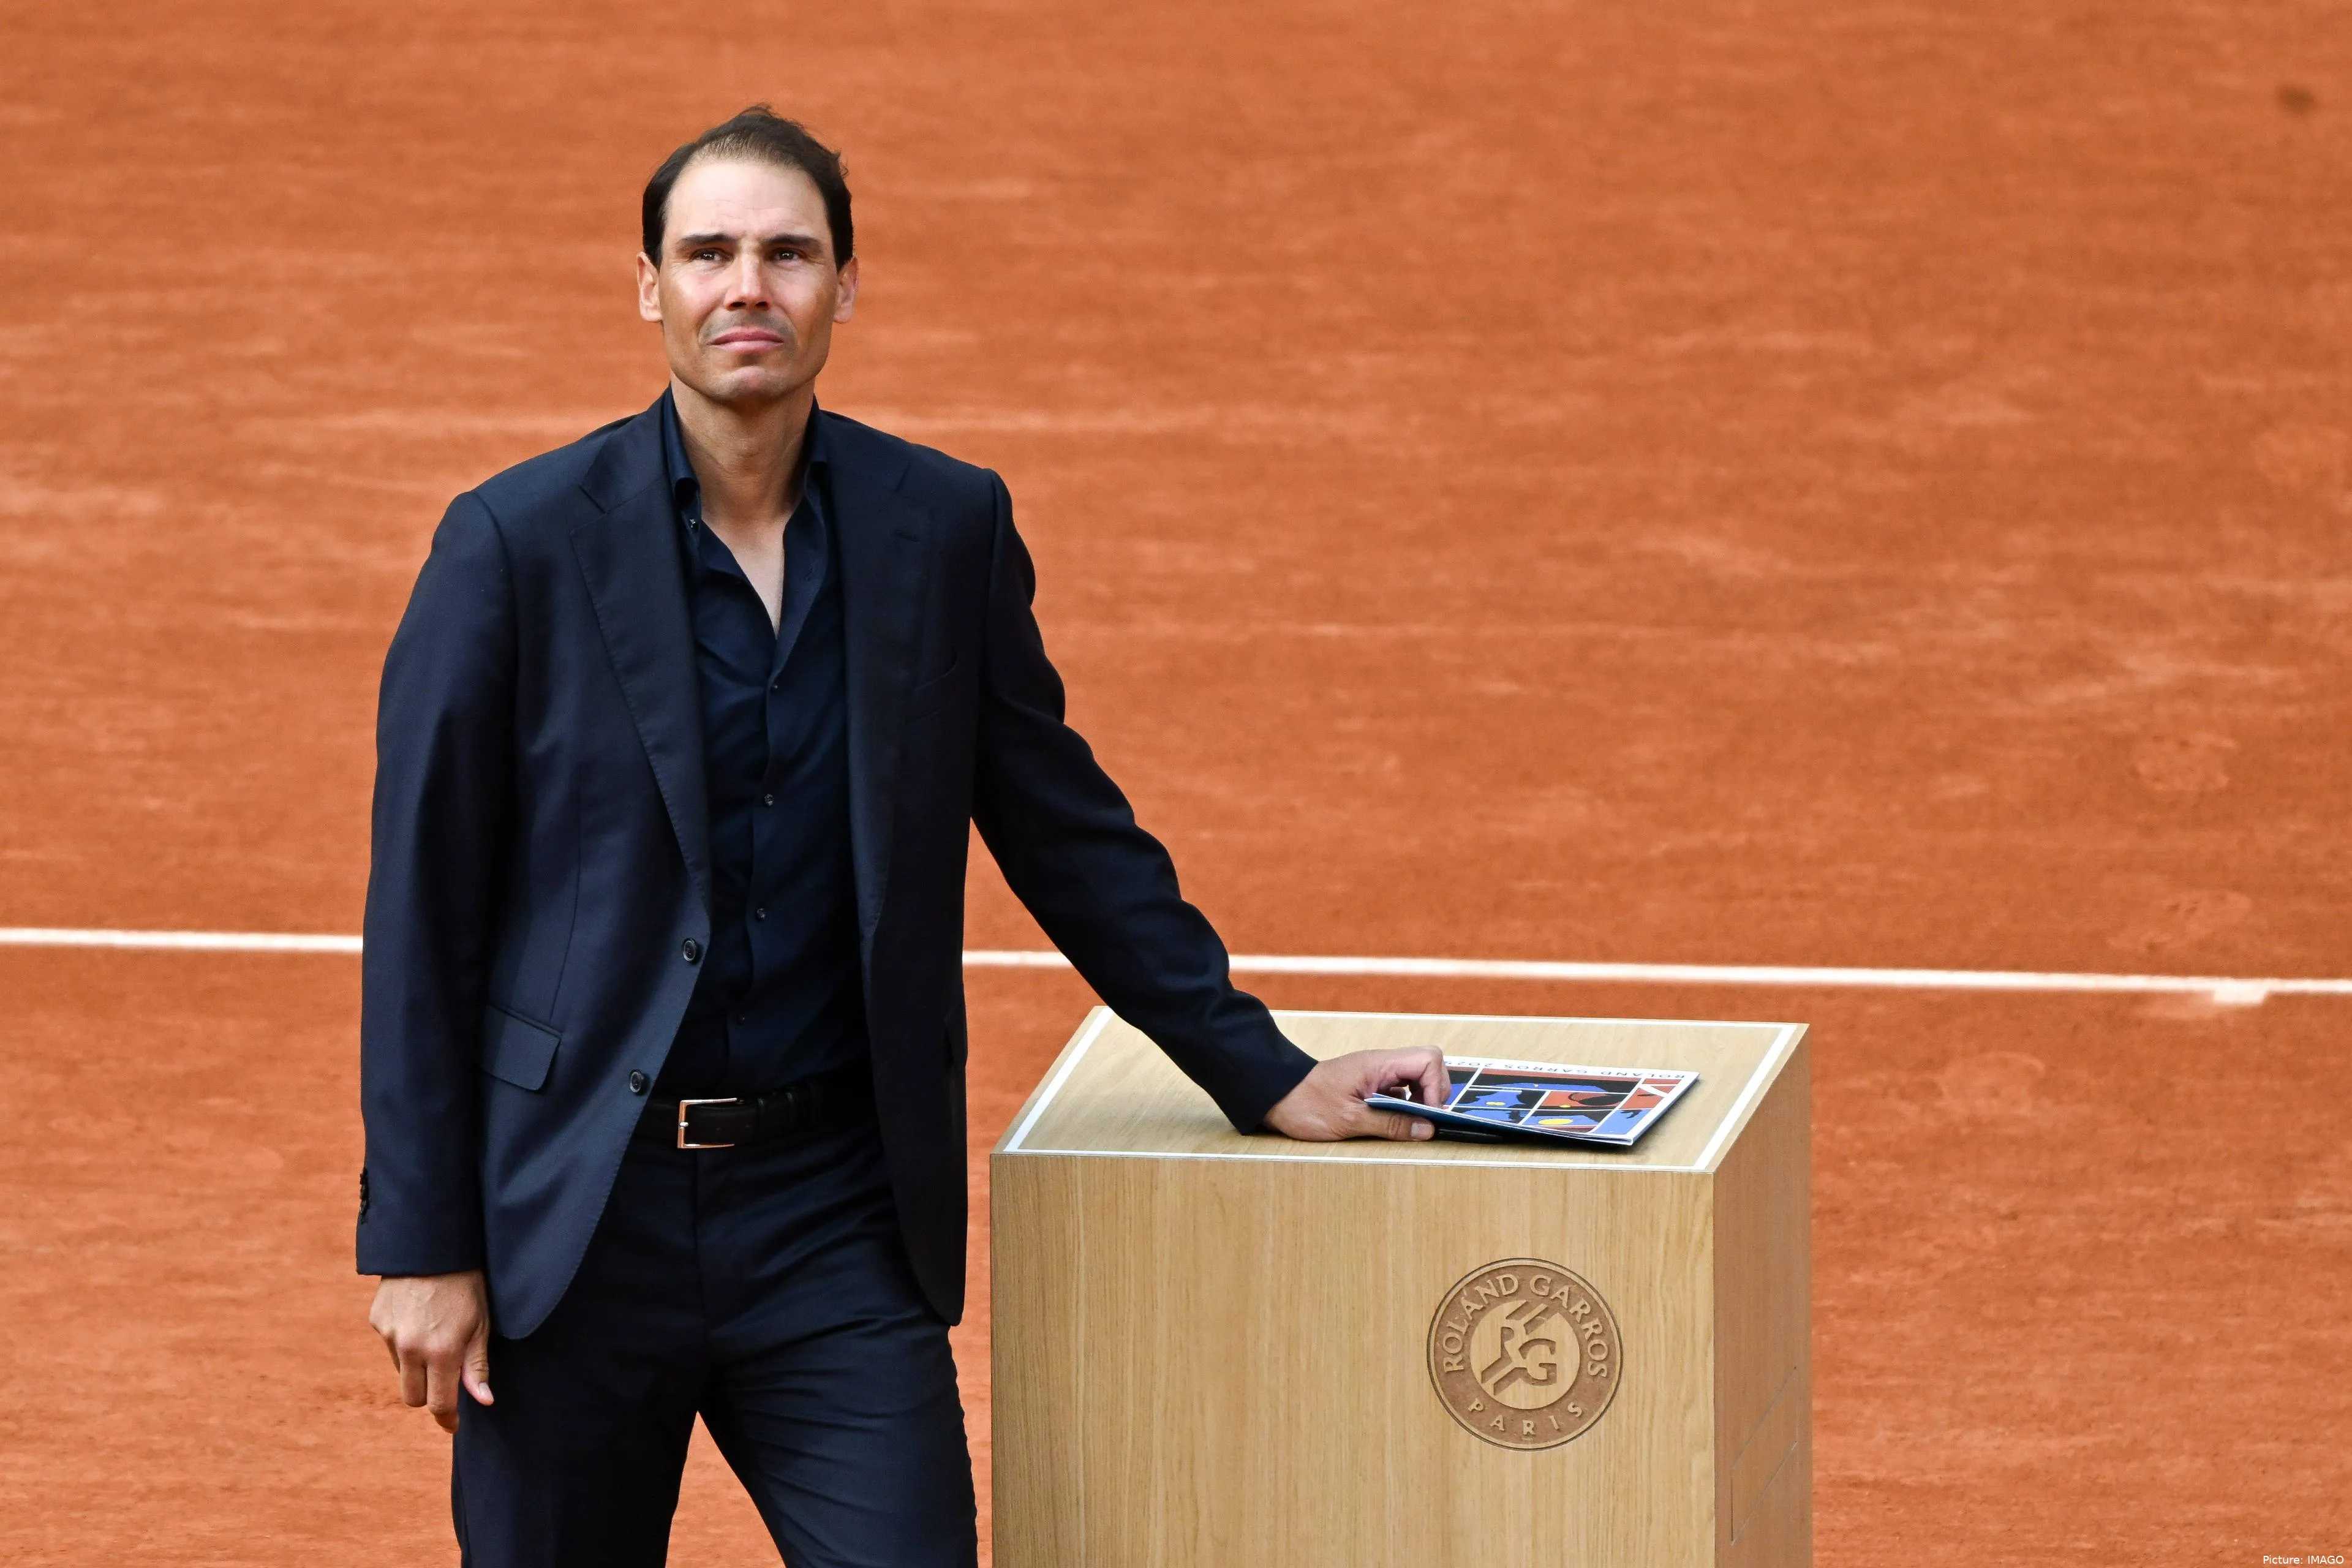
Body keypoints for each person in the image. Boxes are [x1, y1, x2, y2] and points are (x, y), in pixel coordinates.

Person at [358, 105, 1447, 1568]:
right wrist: (422, 1239)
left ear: (844, 288)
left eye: (789, 252)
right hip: (575, 1221)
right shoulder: (512, 544)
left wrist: (1266, 1070)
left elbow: (1065, 827)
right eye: (710, 253)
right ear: (649, 287)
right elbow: (425, 910)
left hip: (830, 1217)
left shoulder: (945, 528)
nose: (749, 284)